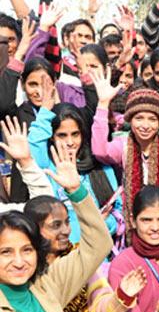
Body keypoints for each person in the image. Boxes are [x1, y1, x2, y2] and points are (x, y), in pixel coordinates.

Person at [0, 140, 113, 312]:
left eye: (27, 250)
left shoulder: (46, 285)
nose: (19, 261)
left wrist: (76, 190)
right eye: (6, 252)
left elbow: (99, 244)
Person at [24, 193, 147, 312]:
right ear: (33, 228)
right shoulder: (23, 268)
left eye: (67, 222)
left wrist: (122, 296)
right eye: (56, 225)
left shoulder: (79, 259)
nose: (66, 230)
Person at [90, 68, 159, 238]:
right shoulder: (123, 143)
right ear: (130, 119)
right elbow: (100, 150)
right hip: (135, 225)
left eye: (152, 119)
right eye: (139, 118)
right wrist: (103, 104)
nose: (145, 125)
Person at [28, 85, 122, 243]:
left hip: (99, 254)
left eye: (75, 134)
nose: (70, 142)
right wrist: (44, 112)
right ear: (51, 137)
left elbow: (117, 210)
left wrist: (102, 225)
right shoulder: (48, 168)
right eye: (62, 135)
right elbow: (33, 147)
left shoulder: (100, 166)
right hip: (64, 256)